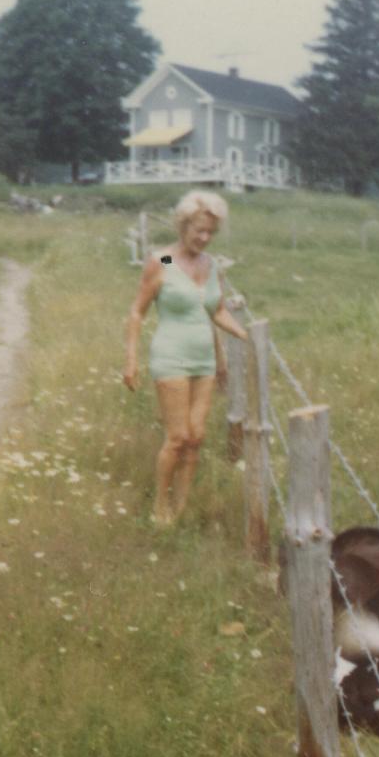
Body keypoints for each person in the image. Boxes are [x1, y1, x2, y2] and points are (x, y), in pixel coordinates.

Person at [123, 190, 249, 525]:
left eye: (211, 232)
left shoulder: (211, 265)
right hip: (171, 358)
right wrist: (131, 359)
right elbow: (137, 312)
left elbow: (217, 309)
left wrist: (246, 335)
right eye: (199, 230)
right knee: (177, 437)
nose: (205, 238)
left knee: (196, 437)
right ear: (183, 226)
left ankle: (180, 508)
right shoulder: (164, 261)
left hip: (203, 362)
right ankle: (159, 508)